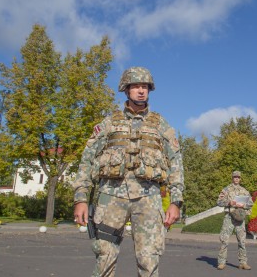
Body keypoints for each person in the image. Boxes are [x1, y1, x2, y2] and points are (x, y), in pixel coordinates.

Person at [73, 67, 184, 277]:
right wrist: (80, 198)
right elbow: (87, 160)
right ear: (126, 89)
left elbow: (176, 163)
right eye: (136, 86)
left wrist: (175, 202)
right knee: (104, 257)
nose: (141, 91)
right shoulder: (108, 123)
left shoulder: (162, 125)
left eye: (145, 87)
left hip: (148, 199)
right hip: (111, 196)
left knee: (149, 260)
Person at [216, 171, 253, 270]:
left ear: (240, 179)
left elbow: (251, 203)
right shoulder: (226, 190)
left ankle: (243, 263)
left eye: (238, 177)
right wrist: (229, 202)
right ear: (232, 178)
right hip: (229, 217)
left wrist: (243, 205)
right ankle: (221, 262)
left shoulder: (244, 191)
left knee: (242, 241)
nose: (236, 179)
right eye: (235, 177)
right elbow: (219, 202)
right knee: (224, 240)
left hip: (240, 218)